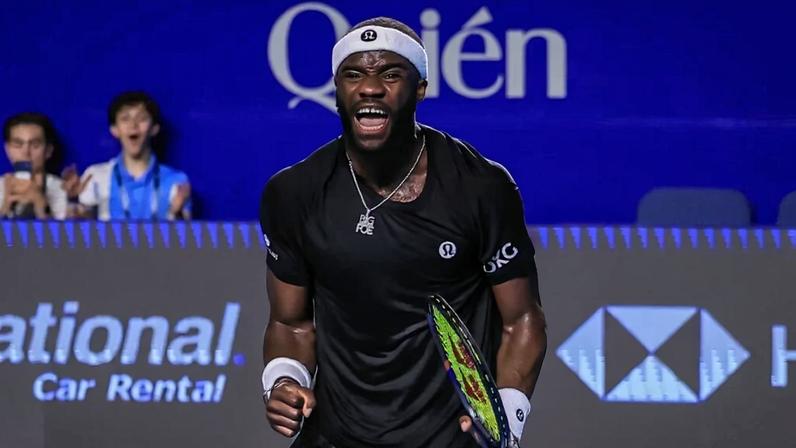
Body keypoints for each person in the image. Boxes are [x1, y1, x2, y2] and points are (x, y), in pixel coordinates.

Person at [259, 17, 547, 448]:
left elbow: (522, 320)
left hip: (448, 440)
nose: (370, 88)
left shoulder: (481, 187)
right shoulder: (294, 193)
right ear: (338, 90)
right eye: (353, 74)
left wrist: (504, 421)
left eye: (390, 74)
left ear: (420, 88)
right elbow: (290, 322)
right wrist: (284, 380)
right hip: (335, 437)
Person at [66, 91, 191, 220]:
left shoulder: (176, 181)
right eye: (125, 119)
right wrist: (73, 202)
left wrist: (177, 214)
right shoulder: (95, 176)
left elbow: (186, 237)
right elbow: (82, 228)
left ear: (154, 128)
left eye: (142, 118)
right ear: (114, 129)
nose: (133, 126)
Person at [1, 113, 68, 220]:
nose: (26, 152)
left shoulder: (62, 189)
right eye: (18, 144)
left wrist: (40, 202)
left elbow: (66, 235)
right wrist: (5, 204)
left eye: (35, 145)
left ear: (48, 150)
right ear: (7, 149)